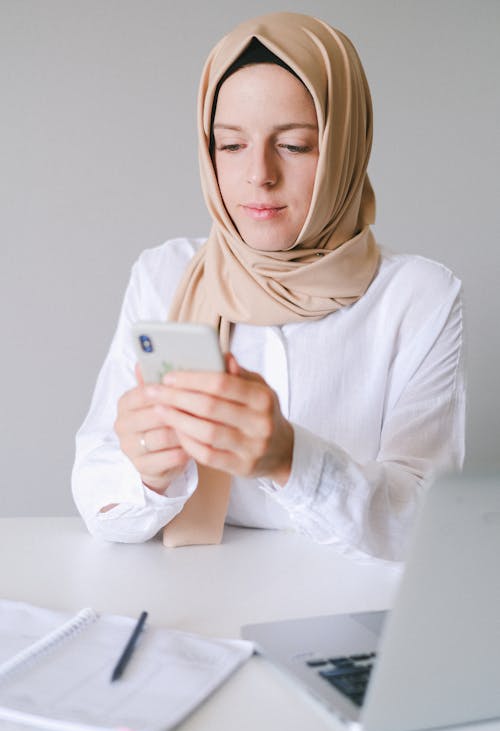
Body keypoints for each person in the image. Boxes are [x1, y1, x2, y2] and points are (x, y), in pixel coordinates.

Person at [72, 12, 465, 561]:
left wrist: (290, 458)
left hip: (351, 607)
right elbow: (98, 497)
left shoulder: (419, 296)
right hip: (192, 598)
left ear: (346, 146)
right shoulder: (164, 273)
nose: (259, 174)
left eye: (296, 146)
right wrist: (146, 472)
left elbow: (426, 524)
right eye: (231, 145)